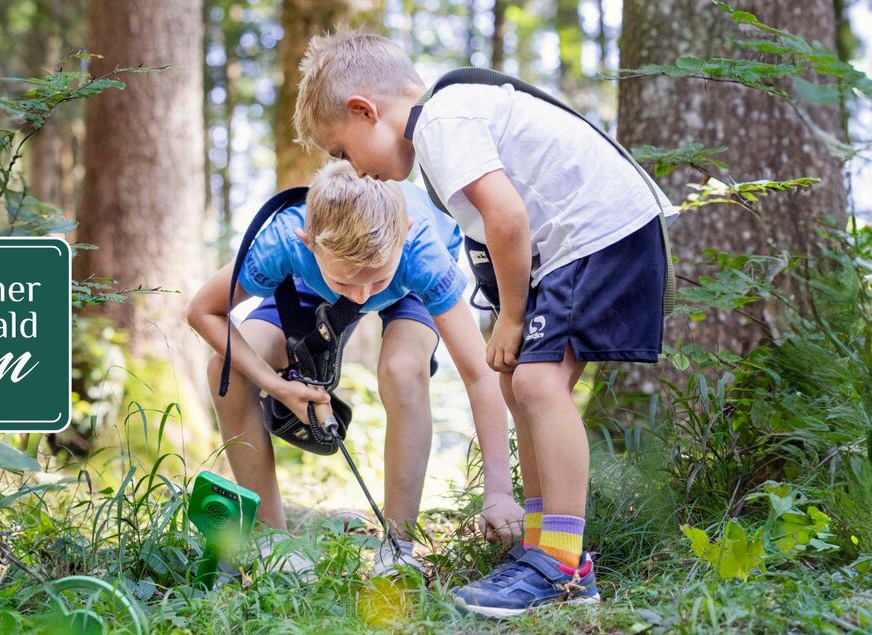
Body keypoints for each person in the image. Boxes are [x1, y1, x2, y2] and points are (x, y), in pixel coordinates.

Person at [292, 31, 676, 616]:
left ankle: (565, 566)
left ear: (364, 110)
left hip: (599, 233)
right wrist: (509, 321)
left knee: (537, 384)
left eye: (342, 151)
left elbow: (508, 217)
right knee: (517, 381)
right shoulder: (439, 139)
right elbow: (494, 232)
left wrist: (513, 318)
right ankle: (543, 547)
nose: (352, 170)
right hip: (569, 247)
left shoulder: (443, 123)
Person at [187, 161, 523, 579]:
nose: (362, 295)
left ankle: (398, 548)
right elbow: (203, 311)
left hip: (406, 284)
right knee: (227, 369)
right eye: (350, 284)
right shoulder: (284, 240)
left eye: (372, 282)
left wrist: (499, 491)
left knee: (402, 369)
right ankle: (275, 542)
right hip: (313, 284)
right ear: (306, 242)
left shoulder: (420, 251)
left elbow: (478, 373)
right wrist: (278, 386)